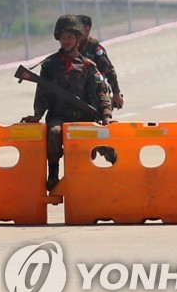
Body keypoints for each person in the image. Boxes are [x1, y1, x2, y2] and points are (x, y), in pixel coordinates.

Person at [20, 14, 113, 192]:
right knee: (54, 133)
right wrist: (37, 114)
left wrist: (107, 116)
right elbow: (42, 93)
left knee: (100, 138)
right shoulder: (49, 65)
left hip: (85, 116)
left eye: (70, 37)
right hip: (59, 116)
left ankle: (112, 167)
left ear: (78, 38)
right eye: (63, 37)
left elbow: (101, 92)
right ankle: (53, 173)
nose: (66, 40)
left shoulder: (88, 66)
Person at [76, 14, 124, 110]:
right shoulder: (71, 46)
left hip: (95, 93)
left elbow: (109, 70)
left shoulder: (94, 47)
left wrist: (116, 93)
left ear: (87, 28)